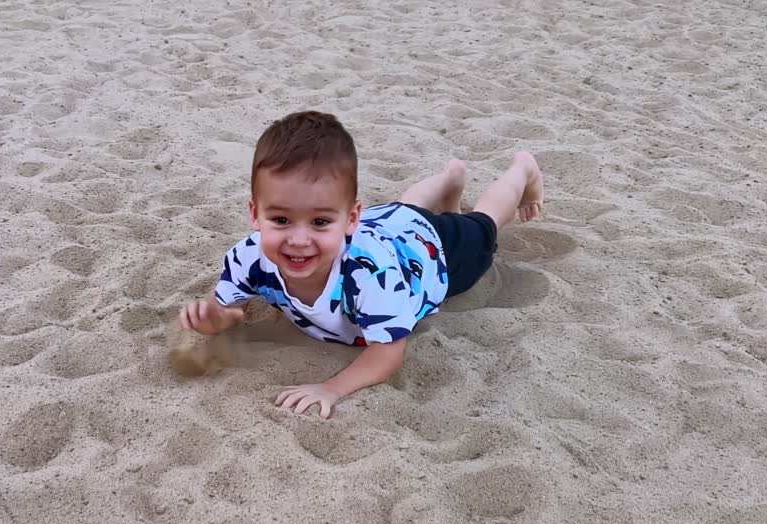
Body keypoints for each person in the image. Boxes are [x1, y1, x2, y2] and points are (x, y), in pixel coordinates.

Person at [178, 111, 543, 419]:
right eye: (281, 220)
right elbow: (225, 308)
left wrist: (331, 388)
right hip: (389, 225)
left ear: (351, 218)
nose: (299, 240)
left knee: (486, 222)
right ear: (256, 215)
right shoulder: (249, 256)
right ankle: (449, 179)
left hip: (431, 251)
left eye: (320, 222)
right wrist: (214, 319)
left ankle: (521, 172)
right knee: (408, 207)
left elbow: (387, 352)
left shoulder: (371, 276)